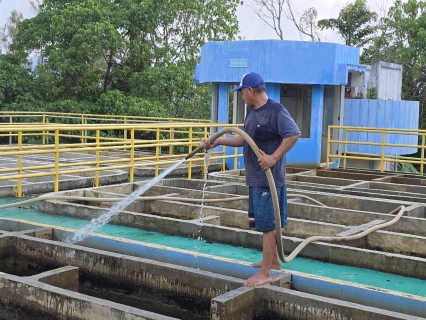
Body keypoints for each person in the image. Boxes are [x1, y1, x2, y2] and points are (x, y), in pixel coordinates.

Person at [203, 72, 301, 286]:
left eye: (241, 92)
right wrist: (218, 142)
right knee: (266, 222)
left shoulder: (275, 110)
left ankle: (265, 273)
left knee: (268, 225)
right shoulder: (252, 112)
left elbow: (293, 134)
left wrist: (273, 158)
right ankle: (273, 261)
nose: (241, 97)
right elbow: (245, 139)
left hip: (269, 180)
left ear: (249, 91)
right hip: (256, 178)